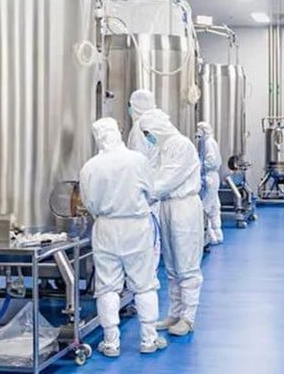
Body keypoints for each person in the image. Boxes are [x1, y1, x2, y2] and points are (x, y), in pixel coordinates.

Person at [78, 117, 170, 357]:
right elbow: (151, 191)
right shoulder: (137, 160)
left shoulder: (90, 167)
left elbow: (88, 203)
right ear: (117, 133)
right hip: (136, 226)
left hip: (105, 228)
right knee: (144, 284)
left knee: (107, 286)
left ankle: (111, 342)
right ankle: (149, 339)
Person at [138, 108, 204, 336]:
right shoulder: (160, 148)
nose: (147, 137)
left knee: (187, 263)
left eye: (148, 133)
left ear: (158, 128)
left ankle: (188, 317)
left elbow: (165, 180)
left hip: (183, 207)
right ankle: (175, 313)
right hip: (166, 206)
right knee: (172, 266)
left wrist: (137, 197)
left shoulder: (181, 145)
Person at [196, 121, 224, 246]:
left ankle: (210, 235)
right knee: (214, 206)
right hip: (212, 176)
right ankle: (217, 233)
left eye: (199, 129)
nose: (197, 132)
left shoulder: (208, 143)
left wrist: (199, 166)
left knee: (205, 206)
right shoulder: (208, 142)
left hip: (209, 176)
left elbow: (212, 161)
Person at [126, 88, 156, 158]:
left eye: (130, 105)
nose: (129, 108)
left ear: (137, 106)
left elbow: (138, 156)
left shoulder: (139, 127)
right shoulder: (156, 121)